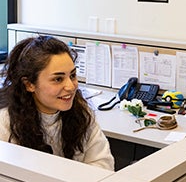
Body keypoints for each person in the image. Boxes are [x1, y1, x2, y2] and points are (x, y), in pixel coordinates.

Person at [0, 36, 114, 170]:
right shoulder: (6, 122)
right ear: (29, 84)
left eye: (72, 75)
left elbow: (103, 164)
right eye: (58, 79)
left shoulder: (81, 113)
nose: (71, 86)